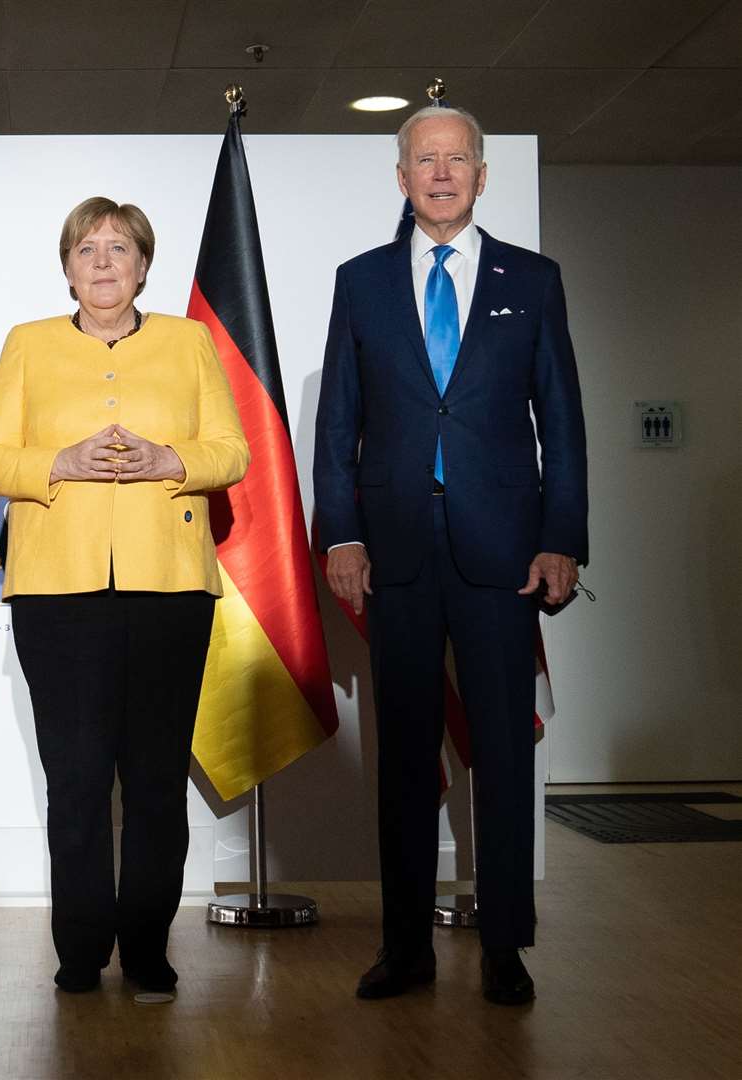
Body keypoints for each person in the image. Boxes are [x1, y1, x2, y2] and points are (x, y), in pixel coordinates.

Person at [313, 105, 588, 1006]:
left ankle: (505, 948)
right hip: (393, 551)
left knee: (503, 753)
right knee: (402, 759)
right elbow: (338, 425)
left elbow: (564, 424)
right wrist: (341, 532)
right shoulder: (360, 283)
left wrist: (562, 538)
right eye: (422, 160)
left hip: (504, 552)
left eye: (455, 159)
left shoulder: (533, 280)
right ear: (401, 178)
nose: (439, 173)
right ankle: (406, 949)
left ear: (480, 174)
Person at [0, 198, 249, 995]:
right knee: (80, 780)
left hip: (169, 590)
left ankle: (150, 949)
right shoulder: (28, 345)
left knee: (156, 781)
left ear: (143, 266)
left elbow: (233, 450)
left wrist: (169, 459)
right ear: (66, 267)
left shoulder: (189, 342)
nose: (102, 262)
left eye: (118, 248)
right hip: (60, 594)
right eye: (86, 249)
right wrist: (61, 462)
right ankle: (81, 951)